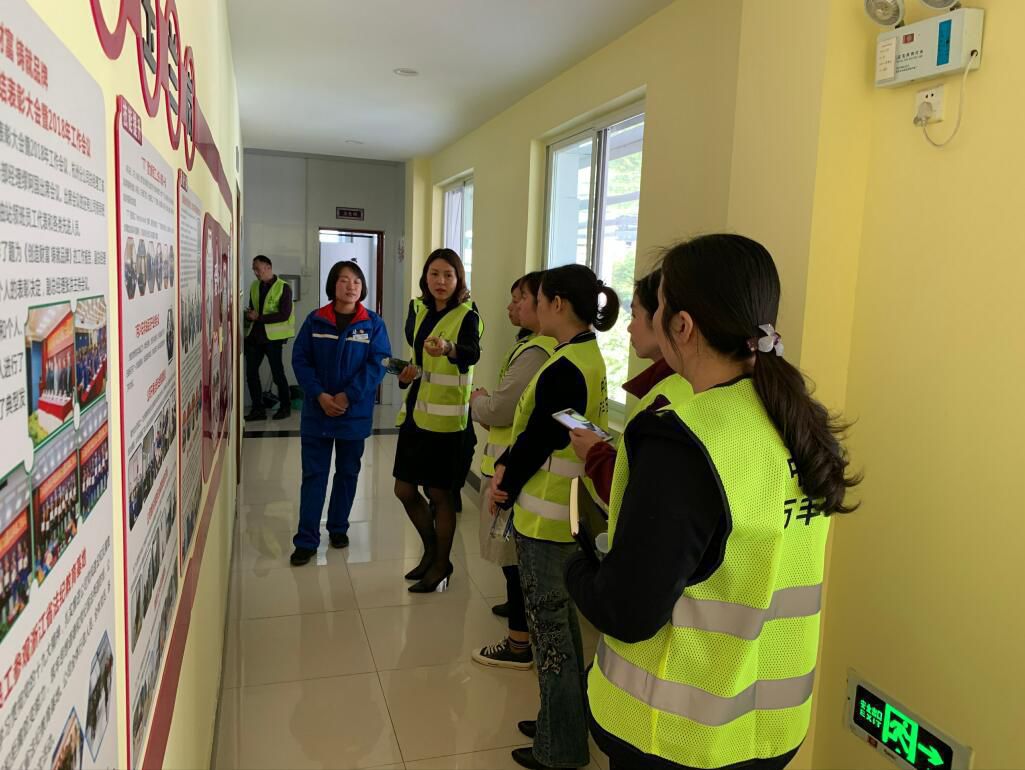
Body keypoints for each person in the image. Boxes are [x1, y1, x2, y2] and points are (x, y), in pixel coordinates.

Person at [565, 235, 861, 770]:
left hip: (672, 737)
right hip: (770, 728)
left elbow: (628, 612)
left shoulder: (683, 441)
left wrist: (575, 568)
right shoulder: (803, 423)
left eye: (657, 306)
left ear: (682, 326)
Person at [489, 264, 619, 770]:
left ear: (558, 304)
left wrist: (503, 482)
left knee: (552, 639)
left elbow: (538, 438)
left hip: (547, 520)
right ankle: (559, 721)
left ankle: (559, 748)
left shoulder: (565, 366)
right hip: (566, 515)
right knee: (561, 628)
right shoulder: (584, 355)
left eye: (539, 299)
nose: (534, 308)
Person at [469, 272, 556, 670]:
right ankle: (519, 619)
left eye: (520, 298)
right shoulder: (534, 346)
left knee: (514, 559)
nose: (512, 306)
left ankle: (518, 643)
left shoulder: (538, 352)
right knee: (512, 559)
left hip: (515, 471)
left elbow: (503, 409)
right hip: (512, 465)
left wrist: (479, 402)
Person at [392, 248, 482, 593]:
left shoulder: (467, 315)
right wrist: (407, 375)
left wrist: (448, 348)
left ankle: (441, 563)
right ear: (425, 277)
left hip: (447, 423)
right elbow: (418, 361)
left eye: (448, 274)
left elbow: (472, 353)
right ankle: (432, 551)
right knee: (403, 489)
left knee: (439, 494)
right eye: (434, 274)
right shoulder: (419, 310)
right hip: (416, 413)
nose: (441, 281)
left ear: (458, 279)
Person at [289, 260, 389, 566]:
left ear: (363, 287)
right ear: (333, 285)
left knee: (347, 473)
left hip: (353, 414)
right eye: (344, 280)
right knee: (314, 476)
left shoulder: (372, 324)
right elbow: (300, 359)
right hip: (318, 412)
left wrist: (348, 396)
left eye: (357, 281)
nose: (351, 286)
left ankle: (338, 527)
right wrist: (319, 394)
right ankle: (306, 540)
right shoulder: (315, 321)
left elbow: (378, 363)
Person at [568, 270, 693, 505]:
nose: (629, 328)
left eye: (634, 315)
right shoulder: (667, 387)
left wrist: (596, 454)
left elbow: (641, 494)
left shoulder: (671, 400)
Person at [245, 255, 295, 421]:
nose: (255, 272)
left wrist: (258, 317)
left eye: (257, 269)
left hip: (273, 338)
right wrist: (249, 315)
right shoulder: (254, 285)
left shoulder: (283, 287)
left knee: (277, 374)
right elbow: (253, 308)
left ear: (268, 267)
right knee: (251, 373)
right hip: (255, 337)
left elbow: (284, 314)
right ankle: (258, 409)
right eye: (254, 269)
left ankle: (285, 407)